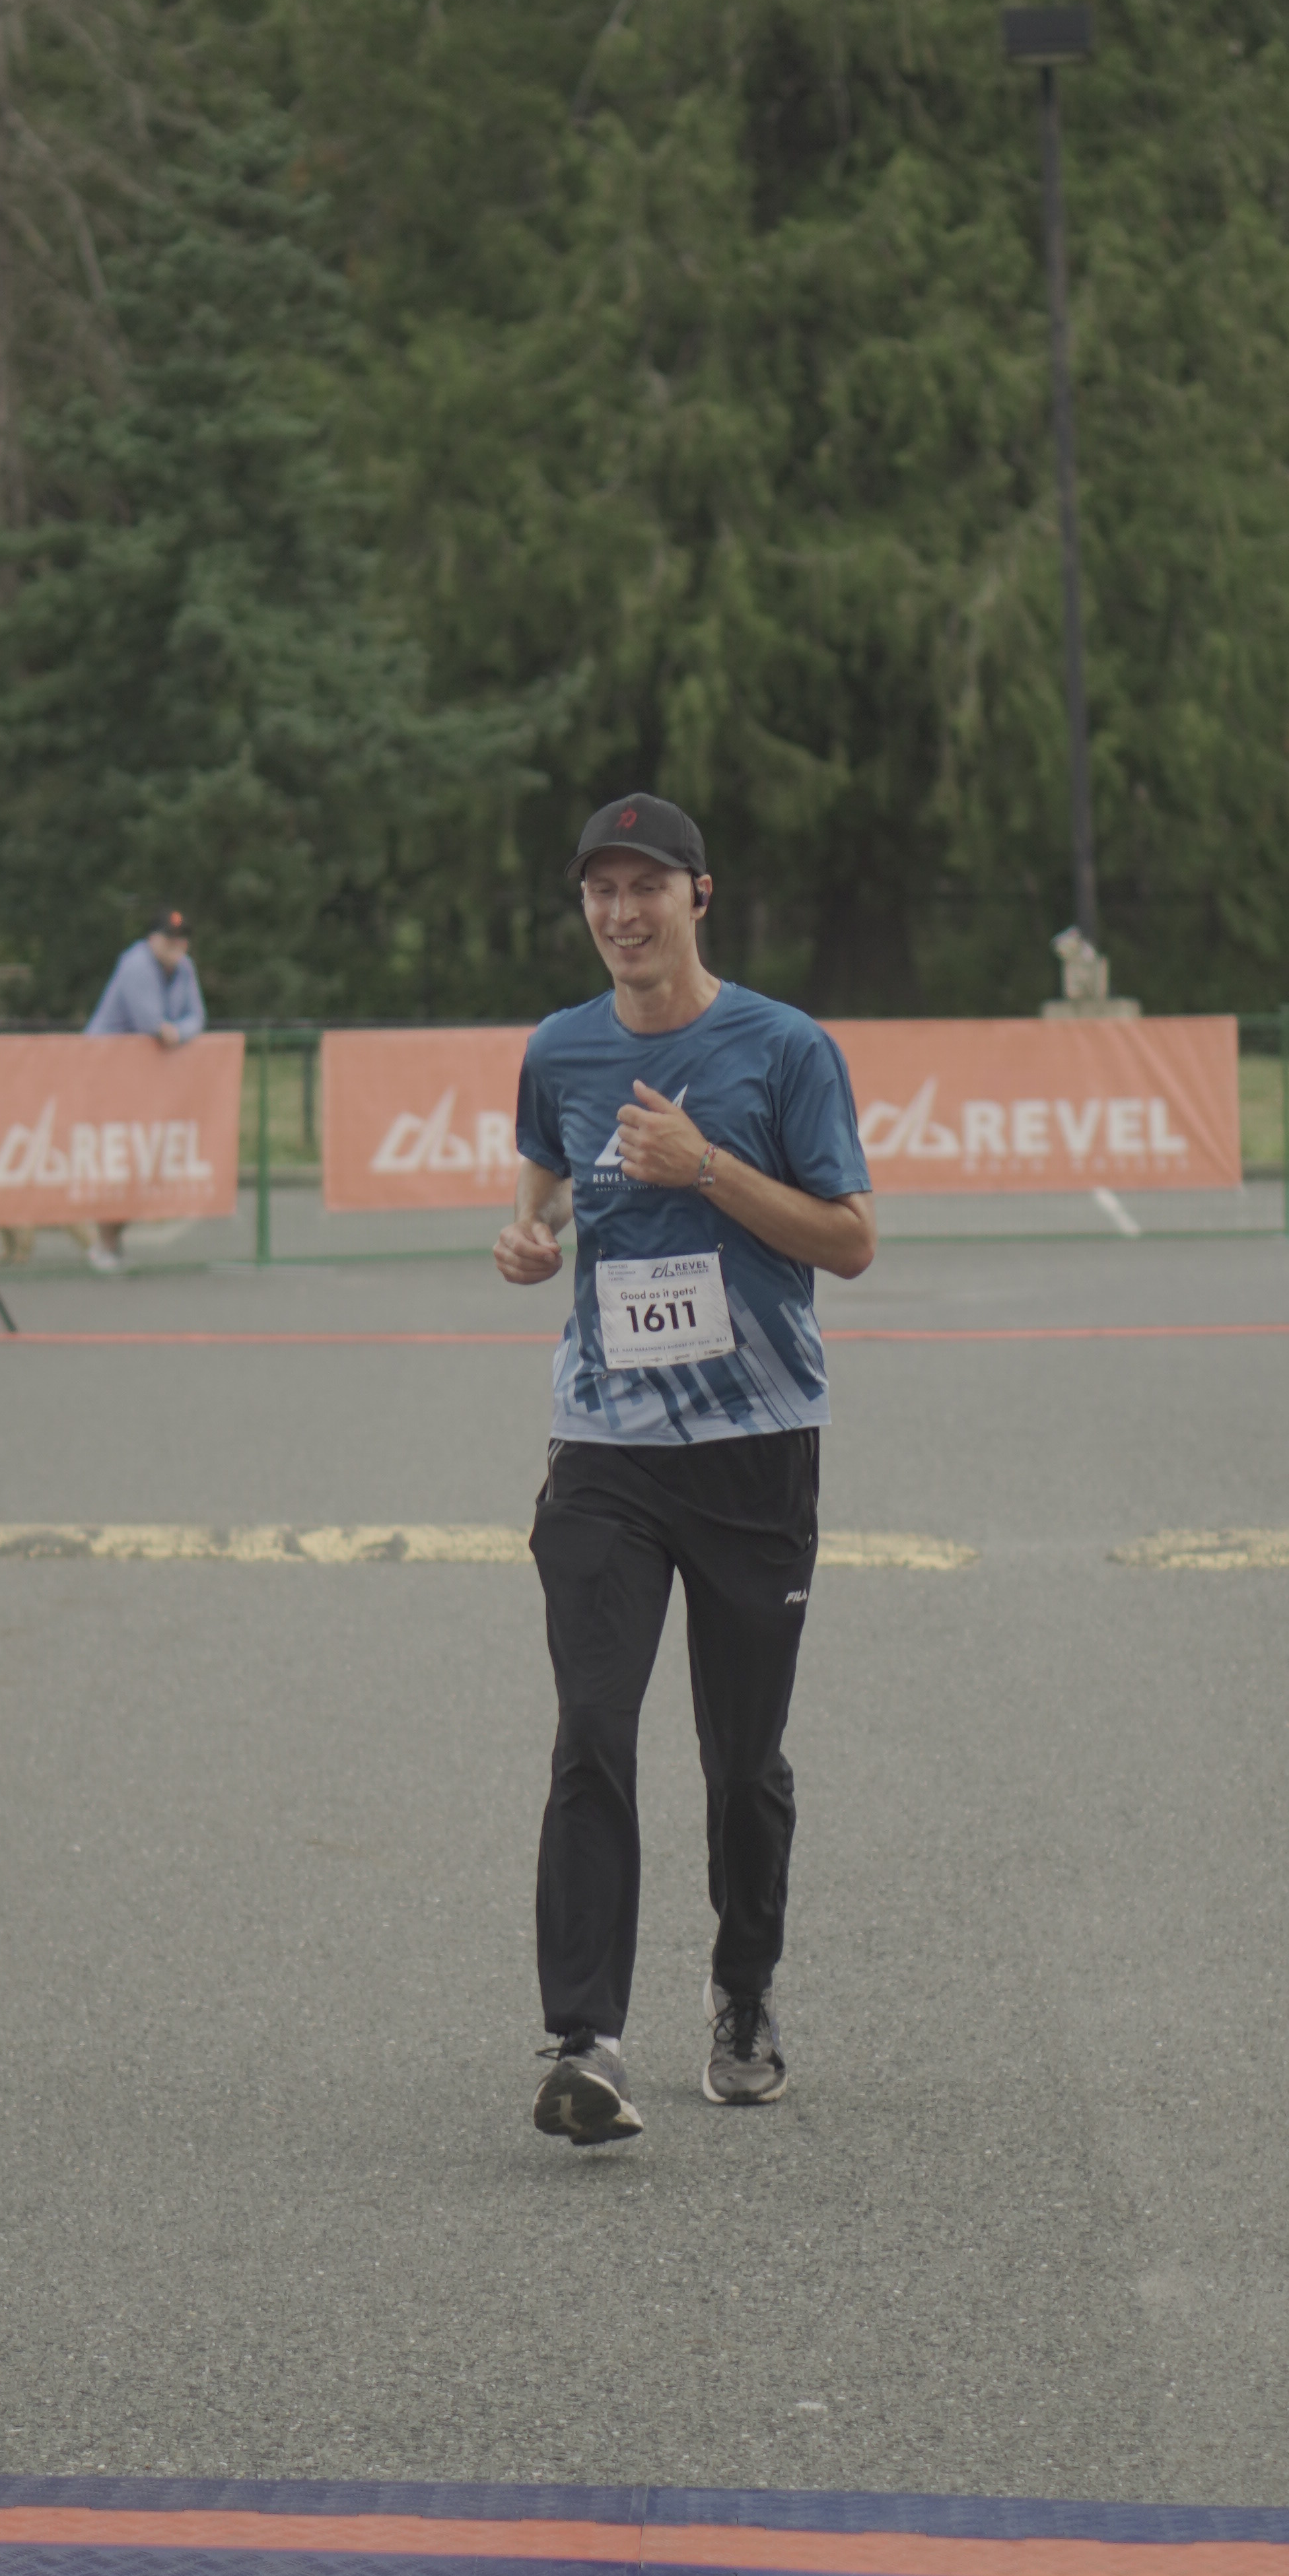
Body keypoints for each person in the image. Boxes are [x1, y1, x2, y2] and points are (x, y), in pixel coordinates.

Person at [497, 793, 875, 2146]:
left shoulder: (783, 1049)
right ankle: (584, 2043)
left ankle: (742, 1996)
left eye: (645, 887)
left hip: (755, 1451)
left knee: (742, 1760)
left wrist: (705, 1166)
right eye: (599, 890)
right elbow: (542, 1184)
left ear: (698, 898)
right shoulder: (560, 1048)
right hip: (607, 1446)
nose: (620, 913)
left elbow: (849, 1241)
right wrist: (528, 1239)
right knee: (592, 1729)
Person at [80, 908, 205, 1268]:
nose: (177, 944)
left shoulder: (184, 968)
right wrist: (172, 1032)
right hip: (104, 1074)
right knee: (117, 1163)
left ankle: (110, 1243)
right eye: (169, 938)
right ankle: (104, 1244)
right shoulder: (136, 966)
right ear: (152, 939)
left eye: (182, 938)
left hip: (142, 1079)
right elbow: (150, 1024)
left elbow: (196, 1018)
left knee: (141, 1162)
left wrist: (178, 1032)